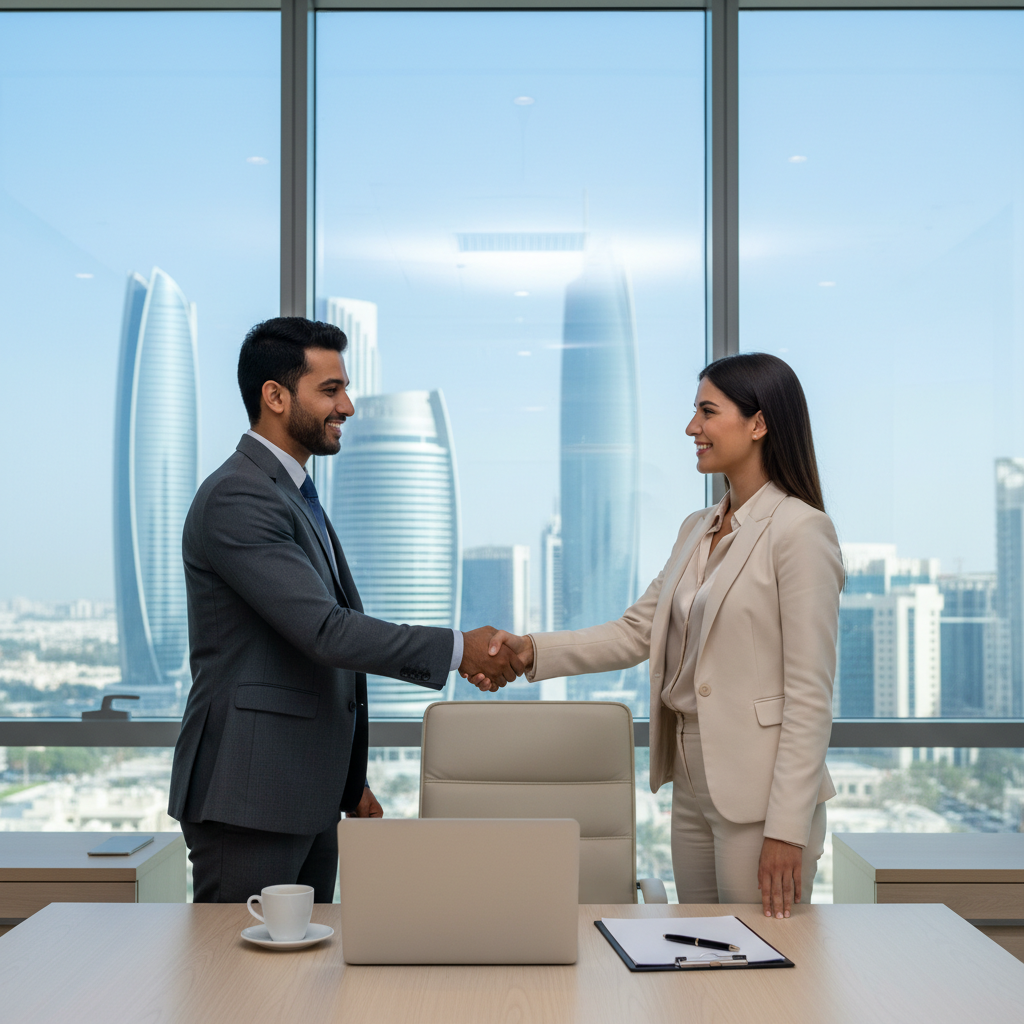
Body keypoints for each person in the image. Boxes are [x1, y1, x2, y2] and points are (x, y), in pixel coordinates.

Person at [169, 317, 522, 903]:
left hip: (304, 792)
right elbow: (325, 632)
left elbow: (309, 661)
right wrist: (460, 649)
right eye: (330, 390)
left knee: (303, 985)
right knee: (238, 985)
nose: (349, 406)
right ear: (275, 396)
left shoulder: (291, 492)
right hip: (249, 796)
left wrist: (347, 780)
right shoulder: (240, 495)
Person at [478, 353, 843, 919]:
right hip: (692, 779)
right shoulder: (697, 528)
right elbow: (637, 630)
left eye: (706, 411)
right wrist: (531, 650)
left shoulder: (800, 530)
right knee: (704, 954)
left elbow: (810, 696)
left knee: (763, 969)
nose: (692, 428)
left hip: (760, 794)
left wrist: (787, 829)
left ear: (758, 423)